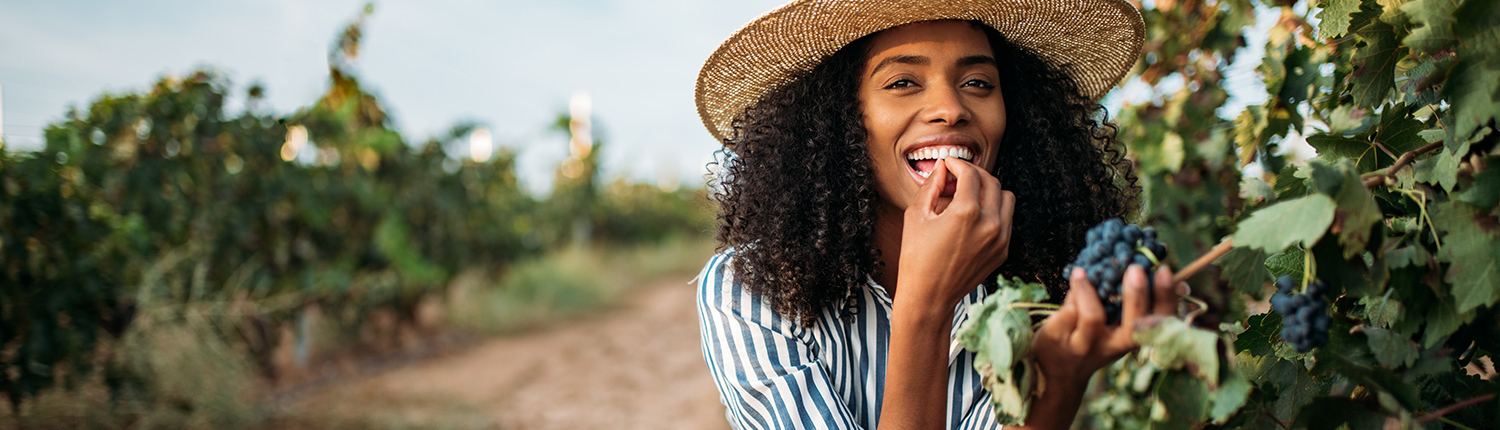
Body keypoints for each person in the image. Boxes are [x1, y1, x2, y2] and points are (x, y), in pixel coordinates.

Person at [693, 1, 1181, 428]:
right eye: (903, 82)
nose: (951, 108)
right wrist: (926, 304)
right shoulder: (750, 289)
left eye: (977, 82)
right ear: (837, 117)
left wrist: (1055, 386)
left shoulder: (1037, 293)